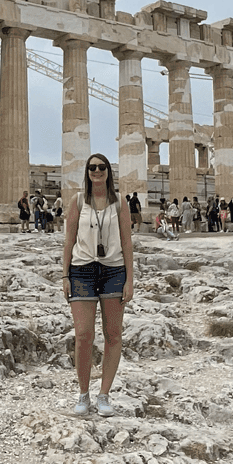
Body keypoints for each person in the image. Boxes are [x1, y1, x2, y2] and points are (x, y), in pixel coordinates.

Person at [62, 153, 134, 418]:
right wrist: (64, 275)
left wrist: (130, 279)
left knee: (113, 334)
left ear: (108, 171)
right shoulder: (78, 201)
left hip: (114, 271)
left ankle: (104, 395)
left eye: (101, 167)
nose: (97, 171)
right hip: (82, 271)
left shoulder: (119, 203)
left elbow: (127, 242)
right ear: (87, 171)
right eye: (92, 167)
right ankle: (83, 394)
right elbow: (68, 240)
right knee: (83, 335)